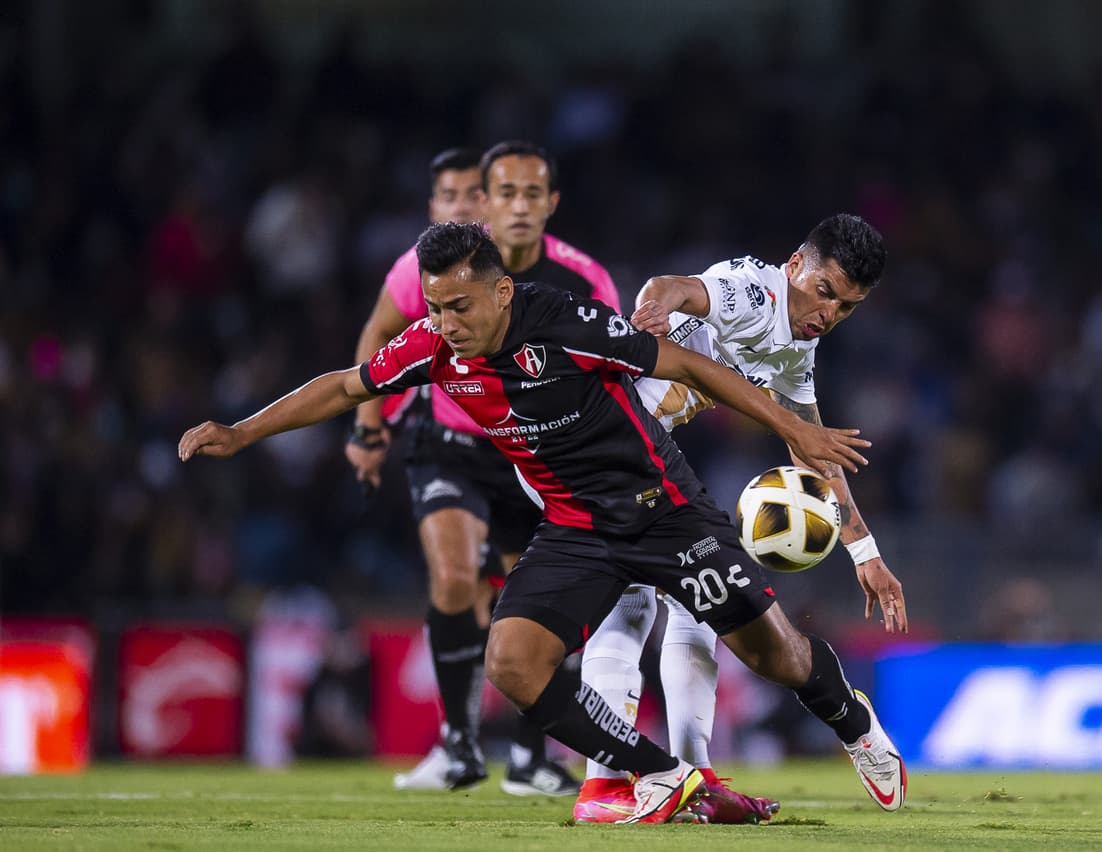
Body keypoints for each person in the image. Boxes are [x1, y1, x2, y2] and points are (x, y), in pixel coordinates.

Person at [179, 222, 907, 823]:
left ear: (501, 293)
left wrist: (807, 454)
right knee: (513, 661)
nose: (445, 324)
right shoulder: (432, 346)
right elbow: (345, 385)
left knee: (777, 657)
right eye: (435, 307)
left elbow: (687, 363)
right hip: (575, 524)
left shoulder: (566, 323)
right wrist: (242, 432)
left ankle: (853, 725)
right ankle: (660, 776)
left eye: (459, 307)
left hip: (661, 508)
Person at [572, 213, 909, 824]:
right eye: (825, 291)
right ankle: (615, 784)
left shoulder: (797, 346)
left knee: (687, 603)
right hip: (606, 446)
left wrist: (865, 554)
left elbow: (811, 447)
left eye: (846, 307)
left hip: (621, 452)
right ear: (795, 265)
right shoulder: (752, 292)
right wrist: (651, 312)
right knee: (645, 600)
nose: (829, 313)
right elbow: (672, 286)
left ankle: (682, 778)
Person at [346, 141, 617, 796]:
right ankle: (458, 746)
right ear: (486, 202)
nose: (514, 207)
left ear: (550, 203)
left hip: (537, 454)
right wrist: (369, 428)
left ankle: (530, 758)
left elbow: (614, 373)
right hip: (451, 445)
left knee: (540, 603)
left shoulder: (584, 278)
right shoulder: (431, 264)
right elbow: (379, 332)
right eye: (502, 194)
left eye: (530, 194)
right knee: (454, 576)